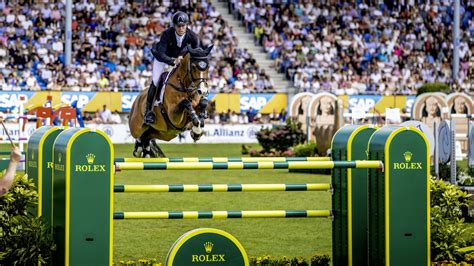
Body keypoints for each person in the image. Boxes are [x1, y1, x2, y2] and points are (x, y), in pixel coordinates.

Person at [145, 11, 202, 125]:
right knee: (156, 81)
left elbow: (197, 53)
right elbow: (161, 53)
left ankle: (200, 106)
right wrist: (172, 61)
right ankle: (148, 112)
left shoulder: (192, 36)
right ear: (174, 25)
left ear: (187, 25)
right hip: (163, 59)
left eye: (183, 26)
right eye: (178, 26)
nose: (181, 28)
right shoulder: (167, 34)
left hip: (179, 60)